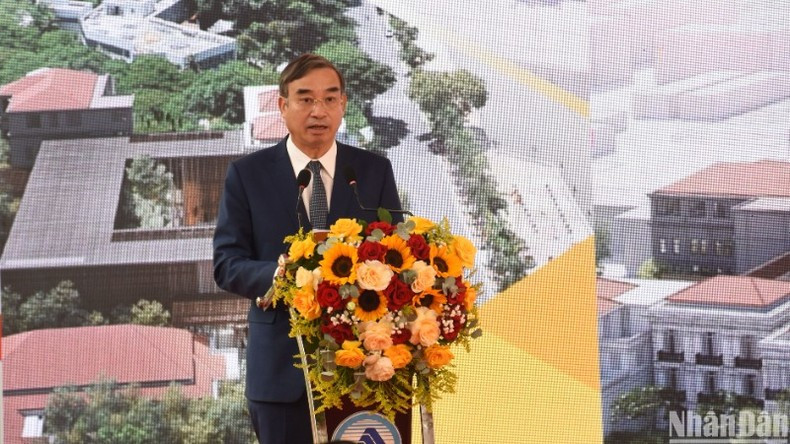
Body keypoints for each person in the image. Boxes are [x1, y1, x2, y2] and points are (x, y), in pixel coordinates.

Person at [213, 53, 402, 444]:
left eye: (330, 99)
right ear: (283, 106)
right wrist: (280, 275)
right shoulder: (247, 175)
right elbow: (227, 264)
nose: (319, 110)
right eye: (305, 99)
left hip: (364, 369)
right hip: (280, 373)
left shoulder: (372, 171)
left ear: (343, 105)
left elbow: (396, 254)